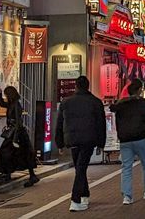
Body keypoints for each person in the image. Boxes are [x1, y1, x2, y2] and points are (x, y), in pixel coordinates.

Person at [55, 76, 106, 212]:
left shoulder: (66, 102)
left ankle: (83, 195)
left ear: (76, 86)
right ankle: (77, 198)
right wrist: (101, 143)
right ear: (87, 86)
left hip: (72, 139)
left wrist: (59, 143)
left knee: (80, 167)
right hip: (89, 139)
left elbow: (59, 124)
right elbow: (101, 124)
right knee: (81, 168)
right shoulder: (95, 102)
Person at [110, 79, 145, 205]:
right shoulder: (142, 103)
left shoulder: (120, 105)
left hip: (125, 140)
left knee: (126, 167)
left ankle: (127, 196)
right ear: (139, 90)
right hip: (140, 138)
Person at [0, 86, 38, 188]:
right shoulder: (12, 104)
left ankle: (11, 173)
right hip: (16, 133)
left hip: (17, 133)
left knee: (10, 153)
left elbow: (18, 122)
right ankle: (12, 173)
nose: (5, 97)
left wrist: (15, 139)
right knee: (19, 154)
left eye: (5, 95)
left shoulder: (16, 105)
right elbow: (2, 104)